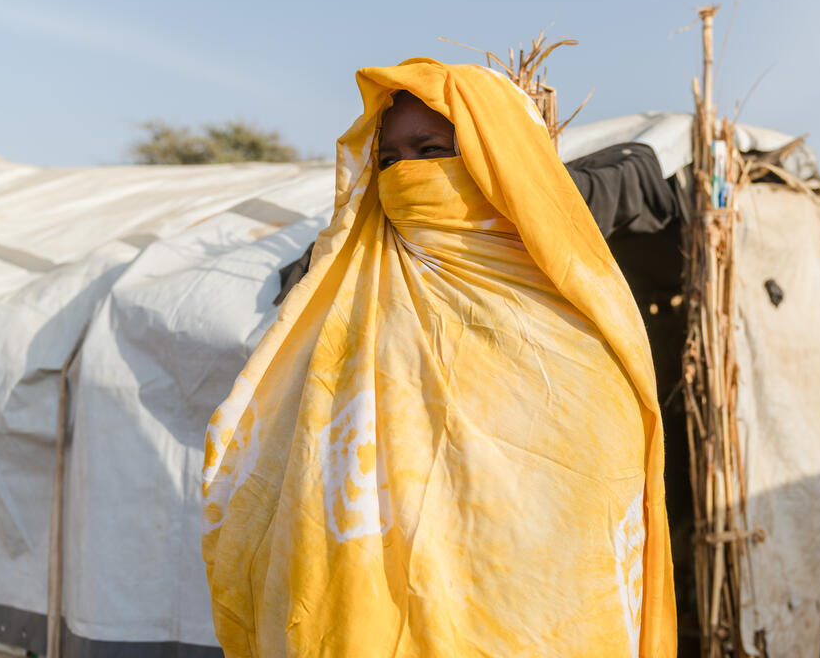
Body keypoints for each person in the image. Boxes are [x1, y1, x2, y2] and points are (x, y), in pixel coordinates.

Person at [202, 58, 676, 657]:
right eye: (391, 159)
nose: (407, 173)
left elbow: (595, 506)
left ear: (494, 159)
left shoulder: (579, 317)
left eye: (431, 149)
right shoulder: (351, 299)